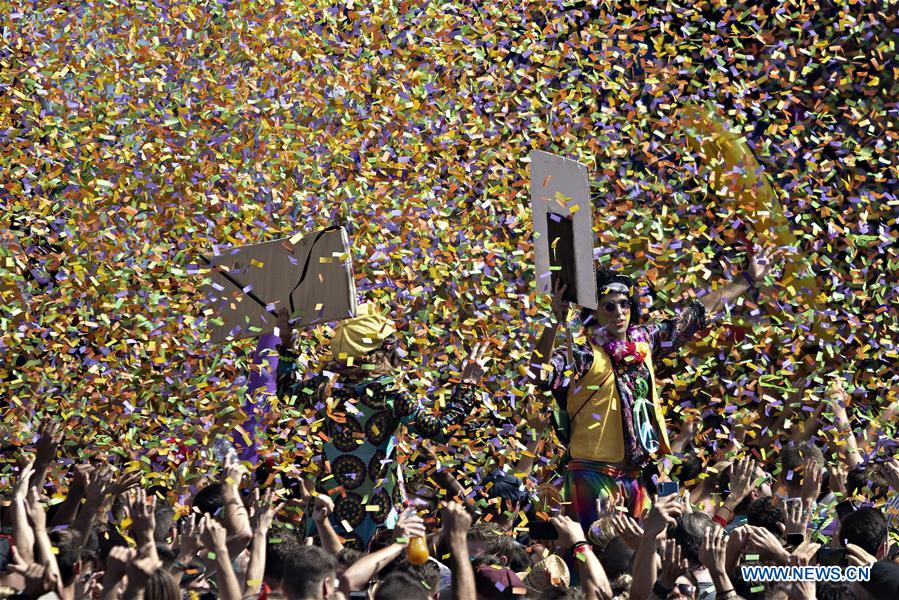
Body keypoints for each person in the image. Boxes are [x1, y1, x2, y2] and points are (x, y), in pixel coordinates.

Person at [528, 247, 782, 528]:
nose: (619, 313)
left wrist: (747, 279)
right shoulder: (584, 354)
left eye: (624, 304)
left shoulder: (644, 342)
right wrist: (554, 322)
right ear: (595, 313)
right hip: (592, 475)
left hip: (637, 476)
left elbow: (697, 314)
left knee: (645, 552)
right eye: (609, 306)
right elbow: (538, 373)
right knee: (597, 552)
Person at [262, 303, 488, 548]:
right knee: (371, 574)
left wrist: (288, 347)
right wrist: (468, 385)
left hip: (328, 511)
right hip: (376, 516)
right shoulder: (389, 393)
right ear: (385, 349)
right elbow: (439, 430)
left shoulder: (329, 385)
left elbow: (287, 393)